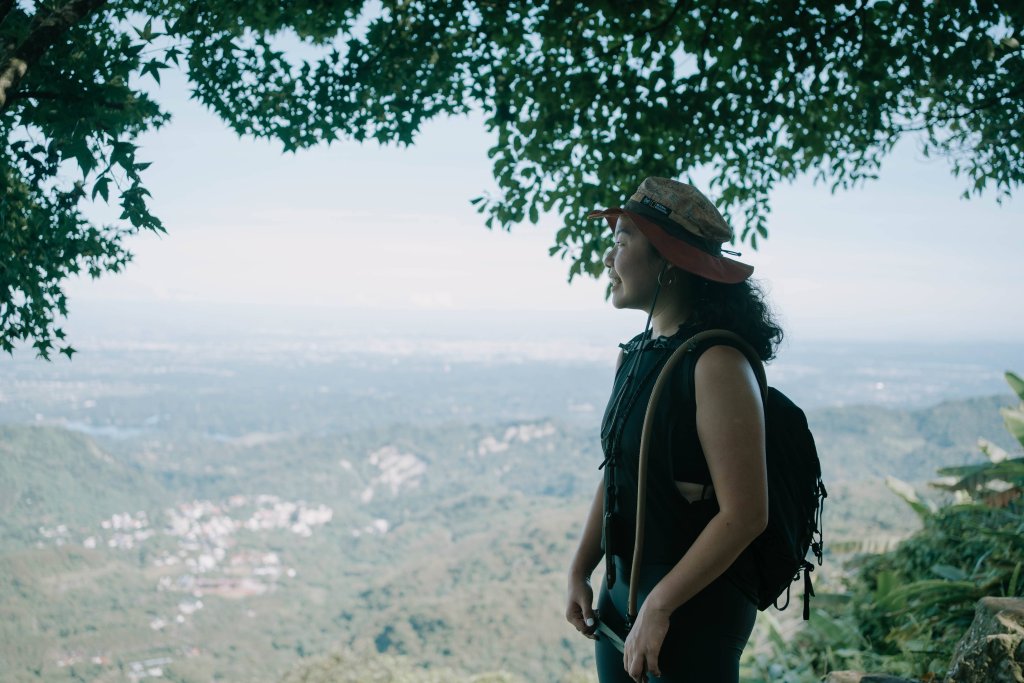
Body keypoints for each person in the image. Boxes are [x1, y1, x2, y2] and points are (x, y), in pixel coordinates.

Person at [565, 177, 783, 682]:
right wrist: (581, 568)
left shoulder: (717, 362)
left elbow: (746, 513)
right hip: (621, 595)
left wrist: (659, 606)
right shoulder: (634, 356)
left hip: (690, 606)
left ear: (667, 261)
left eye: (621, 243)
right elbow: (619, 471)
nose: (606, 259)